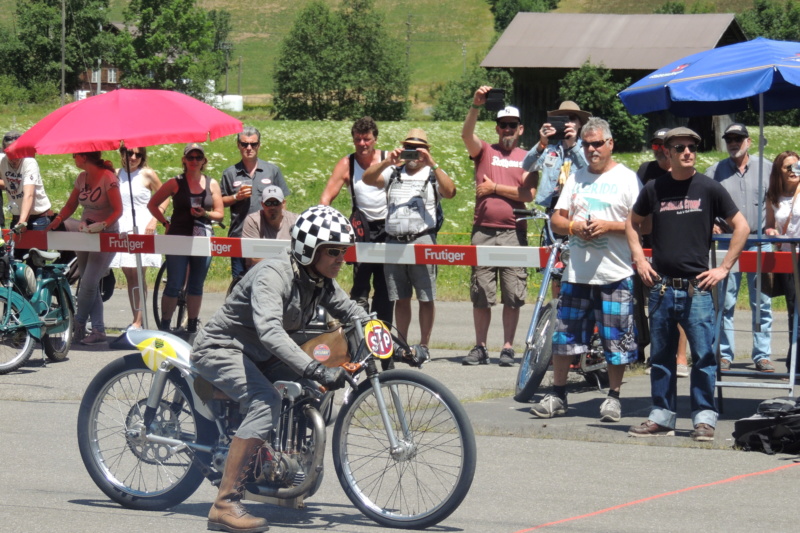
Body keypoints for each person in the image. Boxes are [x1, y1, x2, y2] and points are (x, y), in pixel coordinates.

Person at [191, 205, 368, 533]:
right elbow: (271, 332)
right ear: (308, 249)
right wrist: (316, 368)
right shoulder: (275, 275)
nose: (341, 259)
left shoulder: (319, 280)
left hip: (256, 354)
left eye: (343, 252)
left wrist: (395, 343)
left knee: (308, 389)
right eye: (333, 252)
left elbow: (353, 311)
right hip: (223, 348)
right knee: (265, 401)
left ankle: (278, 465)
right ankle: (224, 504)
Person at [626, 127, 749, 442]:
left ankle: (704, 419)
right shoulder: (655, 188)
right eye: (680, 147)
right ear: (667, 152)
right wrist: (639, 259)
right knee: (662, 357)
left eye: (693, 147)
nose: (687, 152)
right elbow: (632, 221)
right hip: (662, 287)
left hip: (698, 289)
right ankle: (662, 416)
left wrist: (723, 268)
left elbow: (741, 227)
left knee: (704, 357)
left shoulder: (709, 188)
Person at [528, 118, 641, 422]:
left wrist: (609, 226)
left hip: (615, 272)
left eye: (598, 144)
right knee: (564, 338)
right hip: (577, 273)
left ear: (610, 144)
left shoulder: (627, 179)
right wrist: (576, 226)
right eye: (587, 144)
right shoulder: (576, 178)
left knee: (615, 339)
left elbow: (642, 224)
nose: (592, 150)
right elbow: (556, 220)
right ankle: (558, 393)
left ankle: (614, 397)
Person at [460, 88, 537, 366]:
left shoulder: (527, 157)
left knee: (513, 293)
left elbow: (528, 195)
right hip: (483, 230)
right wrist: (475, 106)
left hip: (513, 232)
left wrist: (494, 188)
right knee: (481, 291)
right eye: (503, 125)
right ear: (497, 128)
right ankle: (480, 346)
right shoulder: (484, 151)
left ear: (520, 129)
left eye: (512, 125)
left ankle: (507, 347)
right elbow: (466, 136)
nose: (507, 129)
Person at [362, 128, 456, 349]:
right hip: (394, 241)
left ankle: (423, 345)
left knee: (425, 296)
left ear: (426, 150)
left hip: (422, 240)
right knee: (400, 297)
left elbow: (451, 191)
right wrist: (387, 162)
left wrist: (432, 163)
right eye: (409, 148)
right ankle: (402, 343)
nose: (413, 153)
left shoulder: (432, 175)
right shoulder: (394, 172)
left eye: (418, 149)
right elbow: (367, 179)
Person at [705, 123, 775, 372]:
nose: (733, 143)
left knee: (762, 301)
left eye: (738, 138)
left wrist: (773, 226)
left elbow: (776, 201)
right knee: (724, 301)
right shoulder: (714, 171)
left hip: (760, 242)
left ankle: (762, 355)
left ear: (748, 141)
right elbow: (704, 203)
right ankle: (724, 355)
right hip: (727, 241)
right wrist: (711, 223)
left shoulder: (766, 168)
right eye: (729, 139)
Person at [320, 117, 393, 326]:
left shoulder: (388, 159)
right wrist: (329, 229)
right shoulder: (347, 164)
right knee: (360, 289)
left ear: (375, 140)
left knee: (385, 291)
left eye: (367, 139)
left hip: (388, 230)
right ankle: (360, 341)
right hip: (362, 230)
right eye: (358, 139)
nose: (362, 144)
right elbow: (325, 199)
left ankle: (384, 344)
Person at [47, 151, 123, 345]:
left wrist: (103, 224)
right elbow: (71, 205)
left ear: (85, 157)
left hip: (105, 235)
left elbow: (118, 210)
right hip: (85, 234)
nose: (73, 159)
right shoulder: (82, 177)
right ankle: (98, 329)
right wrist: (55, 221)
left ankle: (78, 325)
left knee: (89, 282)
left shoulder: (108, 178)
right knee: (90, 283)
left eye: (75, 155)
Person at [147, 143, 224, 334]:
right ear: (184, 160)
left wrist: (204, 213)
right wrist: (165, 222)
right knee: (174, 282)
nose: (194, 161)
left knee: (196, 284)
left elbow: (220, 213)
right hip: (178, 237)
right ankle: (165, 325)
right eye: (190, 157)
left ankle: (192, 325)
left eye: (198, 157)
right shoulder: (175, 182)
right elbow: (153, 204)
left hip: (202, 238)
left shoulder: (211, 183)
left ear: (204, 161)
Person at [637, 128, 690, 378]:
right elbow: (636, 212)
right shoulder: (645, 172)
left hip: (676, 246)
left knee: (678, 304)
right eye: (654, 146)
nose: (658, 151)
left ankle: (680, 358)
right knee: (654, 305)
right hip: (649, 246)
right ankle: (653, 354)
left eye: (663, 147)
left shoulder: (684, 175)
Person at [220, 126, 291, 279]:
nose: (249, 148)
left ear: (259, 145)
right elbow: (220, 202)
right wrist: (235, 197)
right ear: (238, 145)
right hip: (239, 235)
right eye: (244, 144)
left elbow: (283, 203)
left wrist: (282, 229)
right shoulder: (230, 173)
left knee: (269, 279)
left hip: (268, 235)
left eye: (253, 144)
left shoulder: (272, 170)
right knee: (240, 282)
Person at [111, 146, 167, 331]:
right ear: (122, 154)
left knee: (139, 274)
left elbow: (165, 196)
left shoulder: (147, 174)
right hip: (123, 226)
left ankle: (139, 321)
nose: (133, 157)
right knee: (129, 275)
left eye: (138, 154)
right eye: (130, 153)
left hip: (143, 226)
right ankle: (136, 317)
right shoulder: (116, 174)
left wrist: (155, 219)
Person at [764, 151, 800, 374]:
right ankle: (794, 362)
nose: (794, 170)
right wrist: (770, 231)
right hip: (787, 260)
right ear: (779, 172)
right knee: (793, 311)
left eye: (798, 166)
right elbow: (769, 225)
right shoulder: (773, 197)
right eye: (788, 167)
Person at [522, 100, 590, 211]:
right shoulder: (550, 149)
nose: (567, 123)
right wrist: (542, 143)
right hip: (553, 206)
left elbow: (590, 170)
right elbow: (527, 166)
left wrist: (573, 145)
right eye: (562, 119)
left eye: (572, 118)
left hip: (578, 207)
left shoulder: (587, 148)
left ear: (580, 124)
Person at [0, 131, 53, 250]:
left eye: (18, 153)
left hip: (38, 217)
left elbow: (29, 194)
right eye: (10, 154)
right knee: (13, 259)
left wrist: (22, 222)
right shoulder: (2, 162)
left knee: (35, 259)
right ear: (4, 151)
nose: (14, 158)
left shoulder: (29, 162)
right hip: (17, 215)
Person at [241, 185, 298, 269]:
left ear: (283, 203)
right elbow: (254, 259)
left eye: (276, 203)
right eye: (268, 203)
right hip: (259, 270)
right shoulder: (253, 221)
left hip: (289, 270)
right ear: (262, 204)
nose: (272, 207)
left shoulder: (295, 221)